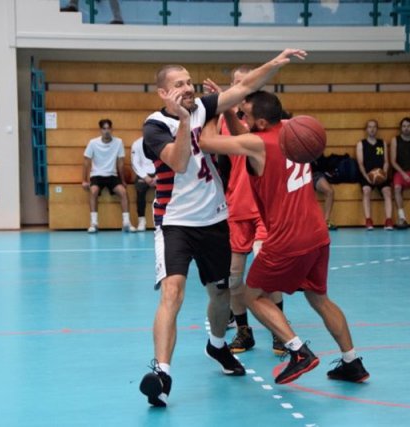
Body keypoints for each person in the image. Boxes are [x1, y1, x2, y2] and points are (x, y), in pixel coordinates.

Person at [138, 49, 307, 408]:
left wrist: (275, 63)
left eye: (188, 81)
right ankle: (162, 373)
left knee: (221, 294)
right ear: (162, 93)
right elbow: (180, 161)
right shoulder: (154, 127)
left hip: (214, 219)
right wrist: (185, 120)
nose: (187, 88)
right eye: (178, 84)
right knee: (173, 292)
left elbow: (245, 86)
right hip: (175, 223)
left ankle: (217, 346)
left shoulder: (203, 105)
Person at [199, 90, 370, 386]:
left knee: (250, 294)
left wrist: (215, 108)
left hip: (288, 238)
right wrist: (232, 112)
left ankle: (297, 350)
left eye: (246, 114)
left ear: (262, 122)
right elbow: (247, 136)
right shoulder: (293, 131)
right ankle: (352, 362)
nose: (242, 117)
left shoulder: (259, 142)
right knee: (320, 299)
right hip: (317, 232)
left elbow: (206, 142)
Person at [205, 66, 286, 356]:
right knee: (234, 279)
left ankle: (279, 332)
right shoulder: (226, 121)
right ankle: (243, 331)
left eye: (244, 84)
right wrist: (216, 108)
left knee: (267, 276)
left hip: (265, 210)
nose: (240, 89)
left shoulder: (266, 121)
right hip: (236, 207)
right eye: (235, 84)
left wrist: (223, 107)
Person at [81, 119, 134, 233]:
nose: (106, 131)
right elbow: (86, 161)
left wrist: (123, 180)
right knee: (93, 191)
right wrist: (84, 180)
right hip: (96, 175)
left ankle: (126, 222)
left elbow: (120, 163)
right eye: (104, 129)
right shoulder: (93, 143)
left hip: (112, 176)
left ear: (112, 129)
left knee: (123, 192)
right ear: (100, 130)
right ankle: (94, 223)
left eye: (108, 128)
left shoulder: (118, 142)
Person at [356, 119, 394, 230]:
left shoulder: (382, 143)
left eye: (374, 127)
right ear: (366, 129)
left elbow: (386, 162)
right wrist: (367, 176)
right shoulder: (361, 144)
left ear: (377, 129)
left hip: (381, 174)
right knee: (366, 191)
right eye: (369, 127)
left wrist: (384, 174)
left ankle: (388, 220)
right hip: (367, 175)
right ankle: (368, 220)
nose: (372, 129)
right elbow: (360, 163)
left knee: (387, 191)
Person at [130, 136, 156, 232]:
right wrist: (146, 177)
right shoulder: (137, 143)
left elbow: (166, 160)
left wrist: (158, 176)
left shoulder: (161, 140)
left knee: (167, 190)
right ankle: (142, 220)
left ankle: (165, 220)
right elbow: (135, 163)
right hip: (143, 174)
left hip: (159, 173)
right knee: (140, 190)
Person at [311, 161, 337, 231]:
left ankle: (326, 221)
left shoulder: (316, 150)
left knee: (330, 192)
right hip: (299, 175)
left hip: (314, 174)